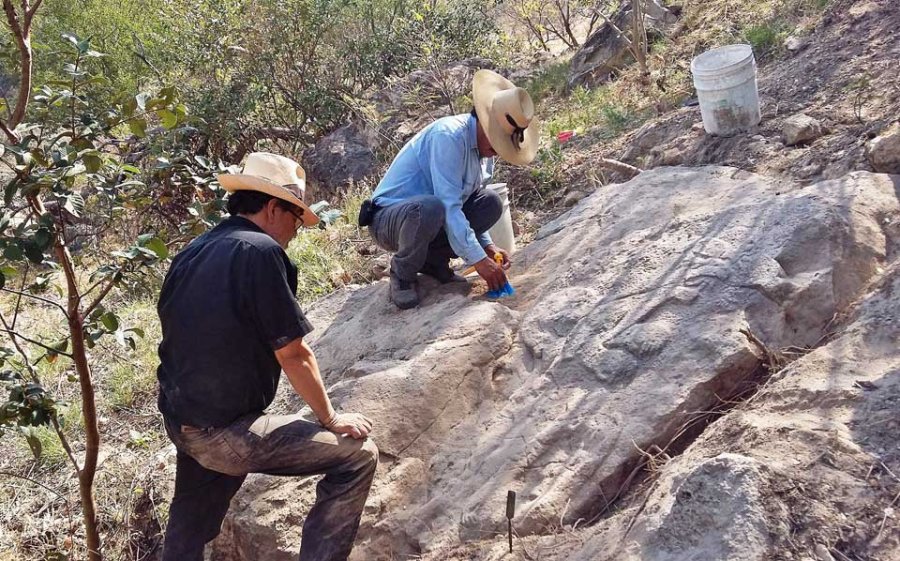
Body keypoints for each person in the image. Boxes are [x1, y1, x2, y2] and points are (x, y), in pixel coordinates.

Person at [156, 152, 378, 561]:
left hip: (183, 420)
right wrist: (329, 419)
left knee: (191, 523)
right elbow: (293, 352)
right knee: (359, 456)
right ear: (274, 207)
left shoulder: (192, 251)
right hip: (227, 429)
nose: (296, 230)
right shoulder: (260, 252)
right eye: (296, 217)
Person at [361, 69, 540, 309]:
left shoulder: (485, 152)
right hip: (389, 220)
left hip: (430, 216)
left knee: (490, 202)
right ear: (485, 121)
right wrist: (477, 260)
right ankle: (402, 273)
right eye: (498, 140)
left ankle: (434, 263)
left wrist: (486, 247)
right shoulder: (449, 137)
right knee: (431, 208)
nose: (499, 149)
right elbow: (448, 205)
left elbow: (467, 202)